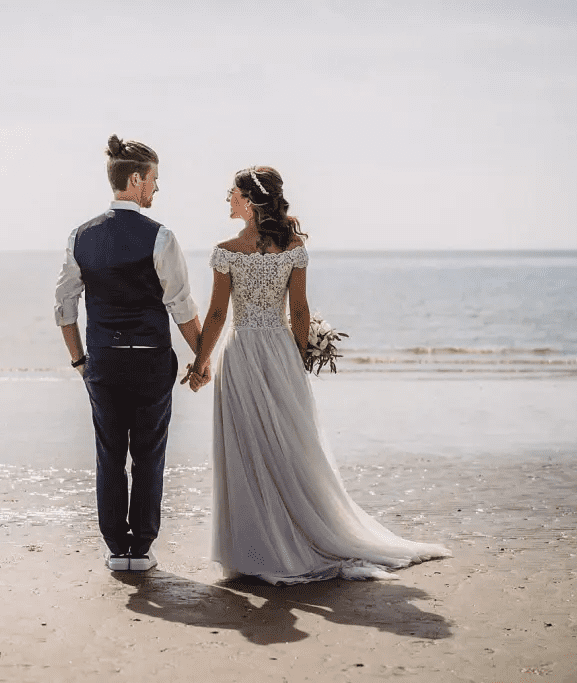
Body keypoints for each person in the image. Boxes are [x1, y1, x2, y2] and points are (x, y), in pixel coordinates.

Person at [184, 166, 451, 584]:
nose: (227, 200)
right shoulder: (293, 249)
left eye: (232, 194)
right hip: (280, 351)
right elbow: (300, 312)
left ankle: (256, 546)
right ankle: (286, 535)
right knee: (289, 445)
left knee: (247, 445)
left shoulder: (226, 251)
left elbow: (218, 313)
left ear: (250, 202)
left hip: (242, 355)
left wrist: (201, 363)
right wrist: (298, 358)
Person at [54, 135, 204, 572]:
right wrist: (202, 357)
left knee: (109, 455)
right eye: (154, 179)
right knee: (149, 454)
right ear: (136, 179)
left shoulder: (81, 237)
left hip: (103, 361)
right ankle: (142, 549)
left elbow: (63, 307)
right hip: (151, 360)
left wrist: (80, 361)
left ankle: (116, 549)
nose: (156, 189)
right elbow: (181, 308)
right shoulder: (161, 237)